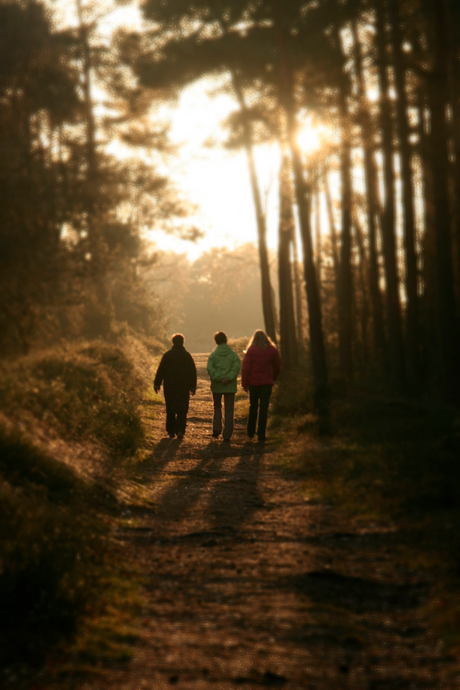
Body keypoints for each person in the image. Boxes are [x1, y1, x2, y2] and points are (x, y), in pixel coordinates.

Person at [154, 333, 197, 439]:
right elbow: (193, 372)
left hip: (169, 386)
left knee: (171, 408)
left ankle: (171, 430)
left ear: (172, 342)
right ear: (183, 342)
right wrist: (193, 386)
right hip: (183, 386)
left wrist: (157, 384)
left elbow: (161, 371)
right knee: (182, 408)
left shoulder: (167, 355)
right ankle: (180, 430)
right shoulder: (186, 355)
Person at [241, 329, 281, 443]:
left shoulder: (251, 350)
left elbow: (245, 369)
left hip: (253, 383)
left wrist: (245, 384)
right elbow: (278, 366)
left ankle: (250, 431)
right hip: (266, 384)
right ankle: (261, 433)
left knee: (253, 407)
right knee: (264, 408)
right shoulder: (272, 350)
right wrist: (273, 378)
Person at [206, 331, 241, 442]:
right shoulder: (233, 355)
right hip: (230, 387)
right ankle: (227, 434)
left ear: (216, 342)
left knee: (217, 407)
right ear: (226, 340)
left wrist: (219, 378)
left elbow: (210, 369)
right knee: (229, 410)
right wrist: (228, 378)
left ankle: (216, 429)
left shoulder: (213, 355)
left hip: (217, 386)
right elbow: (236, 368)